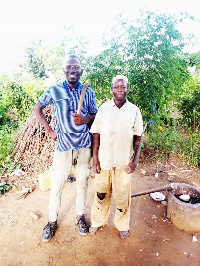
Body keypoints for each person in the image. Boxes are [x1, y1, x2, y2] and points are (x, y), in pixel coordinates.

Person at [34, 55, 98, 242]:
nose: (72, 70)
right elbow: (38, 108)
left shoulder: (88, 92)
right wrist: (49, 130)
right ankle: (52, 221)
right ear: (64, 70)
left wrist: (85, 120)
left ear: (81, 71)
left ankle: (80, 217)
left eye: (76, 67)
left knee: (83, 184)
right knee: (57, 185)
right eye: (69, 67)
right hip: (63, 146)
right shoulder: (54, 90)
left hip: (84, 146)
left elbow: (95, 115)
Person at [89, 75, 143, 239]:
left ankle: (122, 225)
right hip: (104, 161)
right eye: (117, 87)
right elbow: (96, 134)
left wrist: (135, 161)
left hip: (123, 163)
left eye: (123, 87)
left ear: (128, 89)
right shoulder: (104, 108)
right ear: (112, 89)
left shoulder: (134, 110)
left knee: (122, 196)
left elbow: (138, 138)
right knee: (101, 193)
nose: (120, 90)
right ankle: (97, 222)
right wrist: (95, 158)